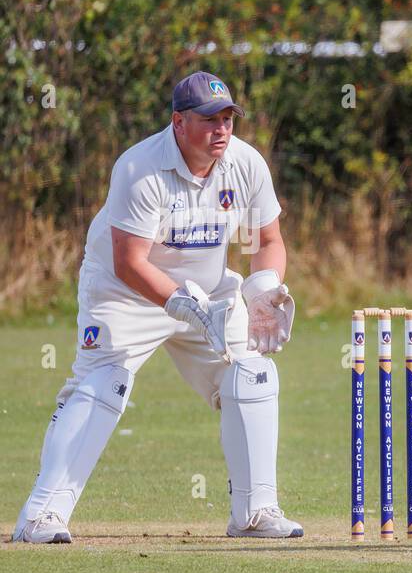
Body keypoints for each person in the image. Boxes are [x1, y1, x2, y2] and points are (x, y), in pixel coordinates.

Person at [11, 71, 301, 543]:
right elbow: (128, 262)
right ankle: (41, 516)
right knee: (104, 382)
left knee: (252, 373)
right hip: (126, 293)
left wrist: (263, 288)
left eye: (228, 118)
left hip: (210, 294)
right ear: (178, 122)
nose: (222, 129)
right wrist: (178, 303)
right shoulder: (139, 168)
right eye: (209, 120)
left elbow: (268, 240)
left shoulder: (245, 164)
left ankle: (254, 511)